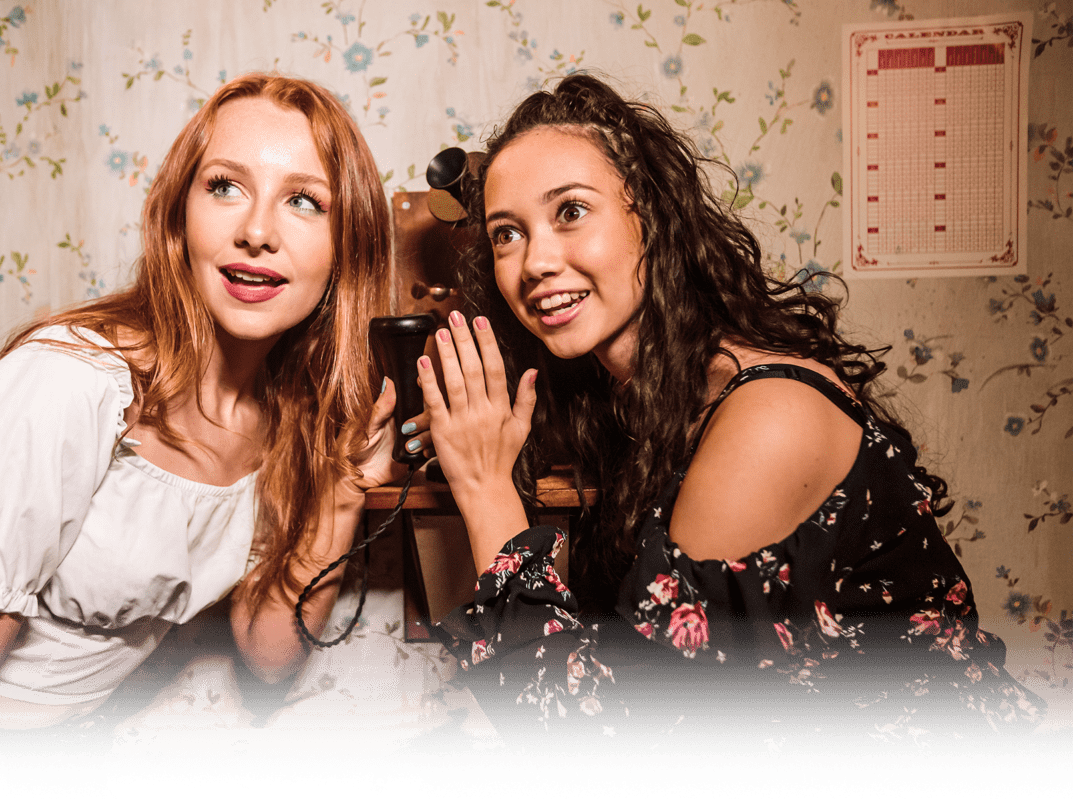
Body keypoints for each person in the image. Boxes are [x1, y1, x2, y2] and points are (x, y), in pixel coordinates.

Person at [408, 73, 1047, 751]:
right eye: (507, 234)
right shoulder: (641, 399)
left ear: (650, 215)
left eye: (570, 211)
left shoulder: (767, 417)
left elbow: (596, 750)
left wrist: (484, 488)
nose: (534, 261)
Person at [0, 72, 398, 752]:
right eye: (225, 186)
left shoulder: (285, 418)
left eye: (303, 200)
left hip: (62, 740)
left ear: (346, 245)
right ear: (180, 215)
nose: (258, 230)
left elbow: (268, 651)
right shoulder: (70, 379)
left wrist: (343, 489)